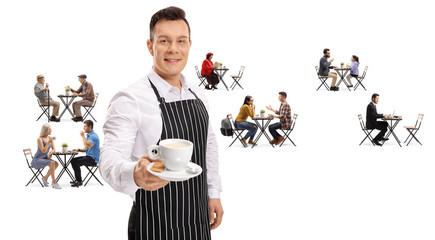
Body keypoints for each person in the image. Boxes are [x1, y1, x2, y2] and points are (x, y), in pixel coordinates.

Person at [100, 6, 223, 240]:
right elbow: (109, 158)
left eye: (181, 41)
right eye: (164, 40)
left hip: (198, 219)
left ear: (189, 45)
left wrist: (213, 193)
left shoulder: (197, 93)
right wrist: (134, 173)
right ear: (150, 46)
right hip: (154, 224)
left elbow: (209, 146)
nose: (173, 49)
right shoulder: (130, 98)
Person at [70, 120, 100, 187]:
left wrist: (82, 136)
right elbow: (87, 148)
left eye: (85, 126)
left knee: (75, 162)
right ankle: (78, 180)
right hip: (89, 157)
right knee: (73, 160)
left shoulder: (94, 136)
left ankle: (79, 181)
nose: (83, 128)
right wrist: (79, 149)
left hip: (93, 159)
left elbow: (87, 145)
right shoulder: (89, 136)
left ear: (90, 127)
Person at [31, 124, 61, 189]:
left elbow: (54, 149)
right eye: (50, 129)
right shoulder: (39, 139)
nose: (51, 130)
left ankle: (45, 178)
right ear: (45, 130)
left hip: (45, 158)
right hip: (37, 159)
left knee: (56, 163)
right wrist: (48, 142)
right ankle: (54, 182)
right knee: (52, 163)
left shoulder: (50, 138)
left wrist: (51, 152)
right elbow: (43, 151)